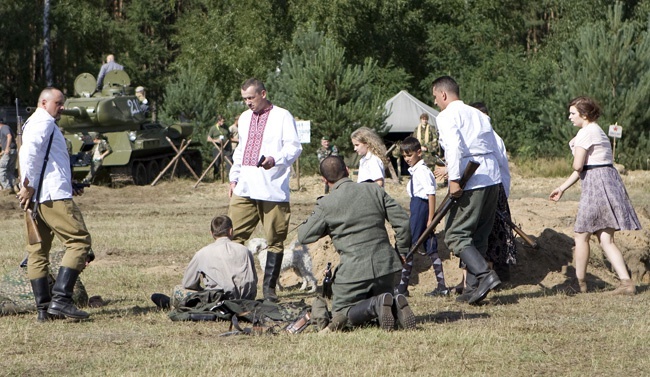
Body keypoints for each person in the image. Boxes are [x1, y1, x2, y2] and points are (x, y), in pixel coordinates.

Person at [298, 156, 415, 331]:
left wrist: (328, 226)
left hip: (353, 272)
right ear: (347, 170)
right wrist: (402, 251)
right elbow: (404, 222)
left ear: (324, 179)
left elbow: (304, 235)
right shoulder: (374, 190)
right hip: (386, 267)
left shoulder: (326, 203)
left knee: (341, 315)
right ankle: (392, 305)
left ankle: (377, 304)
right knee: (382, 299)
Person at [549, 96, 641, 295]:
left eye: (573, 113)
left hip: (596, 185)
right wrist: (562, 188)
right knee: (606, 238)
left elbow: (577, 165)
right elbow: (585, 168)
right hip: (607, 182)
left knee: (581, 235)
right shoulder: (597, 130)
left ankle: (579, 283)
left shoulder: (586, 132)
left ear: (584, 114)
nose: (570, 117)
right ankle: (627, 283)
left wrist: (574, 148)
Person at [17, 87, 94, 321]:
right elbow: (28, 153)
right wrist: (27, 184)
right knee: (79, 242)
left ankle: (44, 309)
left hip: (40, 196)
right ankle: (61, 300)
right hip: (51, 195)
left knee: (38, 251)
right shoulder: (44, 122)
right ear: (43, 102)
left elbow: (43, 160)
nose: (61, 107)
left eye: (62, 103)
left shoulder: (37, 122)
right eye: (58, 103)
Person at [431, 76, 505, 305]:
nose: (435, 102)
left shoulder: (446, 116)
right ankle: (473, 290)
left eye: (435, 97)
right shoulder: (480, 115)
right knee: (479, 237)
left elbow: (453, 147)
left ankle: (485, 275)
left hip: (471, 180)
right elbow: (495, 150)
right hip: (492, 177)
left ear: (443, 94)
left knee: (455, 235)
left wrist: (453, 180)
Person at [228, 78, 302, 302]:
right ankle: (234, 286)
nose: (247, 102)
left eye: (250, 98)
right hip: (246, 186)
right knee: (233, 236)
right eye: (244, 99)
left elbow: (294, 146)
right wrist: (234, 177)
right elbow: (241, 149)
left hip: (272, 187)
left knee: (275, 239)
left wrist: (275, 158)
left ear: (263, 93)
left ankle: (269, 289)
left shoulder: (282, 116)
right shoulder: (244, 118)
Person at [151, 215, 258, 309]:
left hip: (217, 302)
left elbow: (188, 283)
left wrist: (201, 289)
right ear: (231, 231)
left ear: (211, 233)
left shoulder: (202, 253)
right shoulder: (245, 250)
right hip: (247, 301)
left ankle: (171, 304)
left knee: (179, 289)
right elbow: (254, 279)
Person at [396, 137, 448, 297]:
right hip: (416, 206)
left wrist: (430, 218)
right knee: (430, 247)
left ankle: (402, 287)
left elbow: (430, 194)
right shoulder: (416, 171)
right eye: (404, 156)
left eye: (409, 155)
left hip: (422, 207)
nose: (407, 159)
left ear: (419, 153)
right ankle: (442, 286)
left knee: (412, 245)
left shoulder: (422, 171)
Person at [1, 249, 91, 317]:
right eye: (85, 258)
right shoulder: (61, 259)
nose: (87, 264)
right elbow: (79, 296)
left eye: (89, 261)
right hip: (13, 294)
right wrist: (87, 302)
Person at [207, 115, 231, 180]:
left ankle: (230, 177)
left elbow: (229, 136)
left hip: (226, 148)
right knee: (216, 163)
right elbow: (208, 139)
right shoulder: (213, 128)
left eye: (224, 121)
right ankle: (216, 177)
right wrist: (216, 140)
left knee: (229, 161)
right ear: (218, 121)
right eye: (222, 121)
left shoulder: (226, 127)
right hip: (217, 148)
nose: (223, 122)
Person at [0, 119, 17, 194]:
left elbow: (9, 137)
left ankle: (7, 188)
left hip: (9, 151)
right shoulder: (5, 128)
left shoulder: (4, 128)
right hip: (12, 151)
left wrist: (7, 148)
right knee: (9, 170)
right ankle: (15, 186)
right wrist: (3, 150)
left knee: (2, 169)